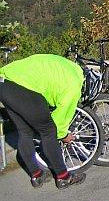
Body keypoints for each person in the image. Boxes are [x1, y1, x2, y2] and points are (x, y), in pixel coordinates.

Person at [0, 54, 100, 189]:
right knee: (48, 130)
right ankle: (63, 177)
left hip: (5, 81)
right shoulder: (74, 85)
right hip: (23, 86)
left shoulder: (69, 67)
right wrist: (64, 136)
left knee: (24, 131)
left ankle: (36, 176)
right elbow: (59, 122)